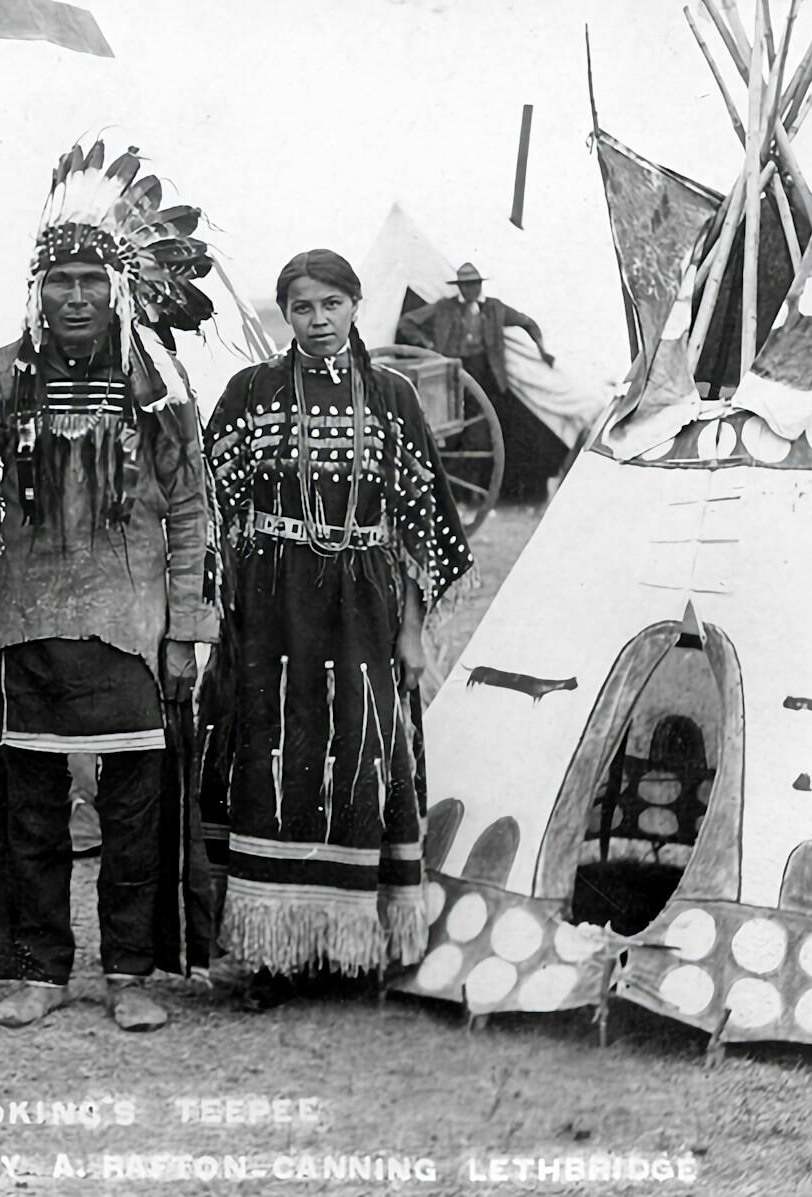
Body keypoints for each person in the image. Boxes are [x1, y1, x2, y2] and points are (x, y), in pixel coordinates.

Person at [0, 140, 219, 1033]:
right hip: (30, 617)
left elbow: (190, 513)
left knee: (134, 808)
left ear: (116, 287)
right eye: (58, 280)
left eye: (89, 279)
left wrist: (186, 629)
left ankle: (128, 972)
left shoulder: (158, 387)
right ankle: (37, 969)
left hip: (133, 624)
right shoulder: (0, 377)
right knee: (31, 806)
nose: (74, 295)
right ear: (37, 290)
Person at [203, 249, 475, 1011]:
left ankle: (354, 948)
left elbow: (420, 525)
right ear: (284, 315)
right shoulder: (251, 392)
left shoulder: (393, 397)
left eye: (332, 304)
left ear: (356, 305)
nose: (318, 320)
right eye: (302, 307)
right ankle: (270, 952)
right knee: (275, 759)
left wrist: (412, 633)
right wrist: (218, 614)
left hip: (366, 607)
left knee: (361, 755)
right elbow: (209, 510)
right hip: (272, 606)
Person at [396, 262, 566, 502]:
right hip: (452, 376)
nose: (470, 290)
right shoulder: (444, 308)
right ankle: (457, 494)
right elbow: (407, 322)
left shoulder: (495, 309)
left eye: (474, 285)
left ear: (480, 286)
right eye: (465, 286)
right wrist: (428, 344)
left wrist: (542, 350)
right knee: (451, 433)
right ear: (459, 288)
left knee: (483, 435)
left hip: (486, 377)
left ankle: (480, 492)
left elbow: (528, 323)